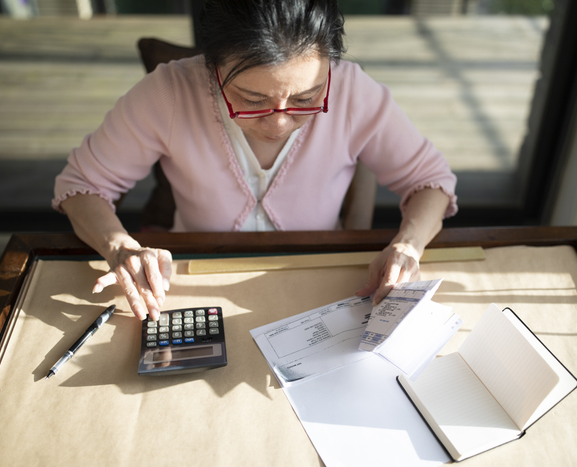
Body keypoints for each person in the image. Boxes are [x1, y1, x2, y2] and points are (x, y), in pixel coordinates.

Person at [53, 0, 457, 322]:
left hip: (320, 282)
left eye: (305, 99)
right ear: (212, 69)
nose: (280, 123)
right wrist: (119, 246)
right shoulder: (171, 91)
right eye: (252, 100)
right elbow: (82, 185)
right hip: (192, 283)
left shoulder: (352, 91)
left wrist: (408, 244)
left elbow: (431, 182)